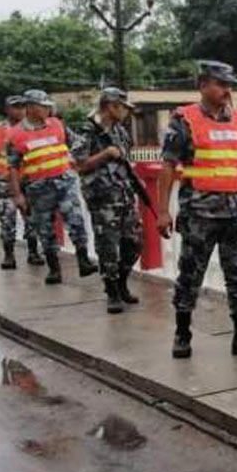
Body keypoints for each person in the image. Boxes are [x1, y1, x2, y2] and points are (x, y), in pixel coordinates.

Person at [156, 60, 237, 359]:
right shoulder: (184, 120)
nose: (227, 90)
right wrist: (162, 211)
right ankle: (182, 334)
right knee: (190, 275)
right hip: (199, 212)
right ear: (203, 85)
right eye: (221, 84)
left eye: (229, 85)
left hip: (233, 212)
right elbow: (168, 166)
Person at [8, 89, 98, 285]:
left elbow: (78, 143)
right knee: (45, 229)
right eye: (43, 106)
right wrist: (17, 195)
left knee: (76, 221)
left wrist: (79, 156)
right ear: (31, 108)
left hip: (64, 181)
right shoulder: (16, 135)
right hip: (38, 188)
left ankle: (83, 261)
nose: (48, 109)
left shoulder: (57, 124)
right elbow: (13, 167)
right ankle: (54, 269)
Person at [72, 87, 144, 314]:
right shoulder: (87, 131)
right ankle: (112, 291)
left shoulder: (120, 131)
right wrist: (105, 154)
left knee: (134, 242)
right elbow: (80, 164)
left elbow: (124, 159)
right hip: (102, 197)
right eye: (123, 107)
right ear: (111, 106)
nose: (126, 111)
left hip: (123, 193)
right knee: (107, 247)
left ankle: (122, 281)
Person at [0, 95, 42, 269]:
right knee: (7, 219)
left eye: (22, 107)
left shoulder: (33, 128)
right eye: (16, 107)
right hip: (6, 181)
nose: (20, 110)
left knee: (31, 218)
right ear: (8, 109)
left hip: (28, 179)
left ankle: (33, 252)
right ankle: (9, 256)